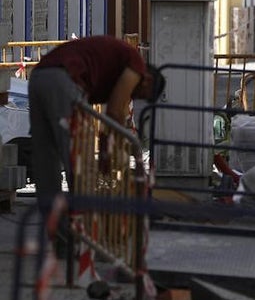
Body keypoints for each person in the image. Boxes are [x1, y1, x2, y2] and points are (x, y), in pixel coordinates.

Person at [28, 35, 166, 218]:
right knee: (79, 161)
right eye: (142, 95)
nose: (135, 97)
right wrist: (107, 153)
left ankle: (56, 231)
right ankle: (83, 226)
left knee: (47, 161)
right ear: (147, 80)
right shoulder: (136, 65)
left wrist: (106, 146)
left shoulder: (118, 63)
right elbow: (115, 112)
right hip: (65, 80)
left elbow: (116, 111)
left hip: (39, 77)